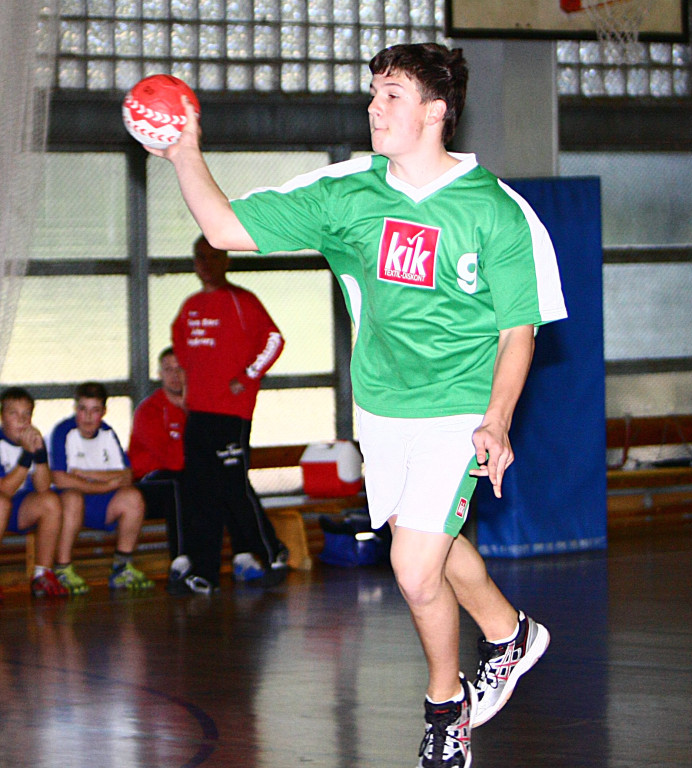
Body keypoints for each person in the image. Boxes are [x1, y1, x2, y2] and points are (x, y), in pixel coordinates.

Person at [150, 42, 567, 768]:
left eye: (392, 95)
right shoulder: (346, 193)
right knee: (432, 540)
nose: (374, 108)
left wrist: (497, 420)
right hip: (381, 407)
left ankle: (446, 710)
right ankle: (510, 633)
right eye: (373, 93)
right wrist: (185, 153)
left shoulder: (499, 213)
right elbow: (224, 230)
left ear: (436, 112)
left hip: (460, 407)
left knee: (413, 568)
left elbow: (517, 332)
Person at [170, 235, 288, 594]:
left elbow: (274, 340)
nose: (205, 264)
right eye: (199, 257)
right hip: (199, 413)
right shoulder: (190, 307)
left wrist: (246, 376)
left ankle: (271, 552)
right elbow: (181, 350)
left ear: (226, 261)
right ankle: (204, 571)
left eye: (212, 257)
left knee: (233, 487)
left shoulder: (242, 301)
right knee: (200, 492)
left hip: (230, 413)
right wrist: (186, 389)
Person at [49, 381, 154, 593]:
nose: (88, 417)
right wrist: (105, 485)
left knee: (133, 498)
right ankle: (62, 569)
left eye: (95, 410)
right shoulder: (63, 431)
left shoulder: (107, 433)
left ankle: (122, 567)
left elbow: (126, 475)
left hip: (100, 504)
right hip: (70, 506)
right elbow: (60, 479)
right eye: (83, 409)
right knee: (72, 498)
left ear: (103, 412)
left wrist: (86, 474)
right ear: (75, 409)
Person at [0, 387, 68, 598]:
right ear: (2, 417)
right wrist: (27, 456)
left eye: (26, 414)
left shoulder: (34, 440)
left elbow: (43, 487)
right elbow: (5, 489)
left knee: (50, 501)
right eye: (14, 413)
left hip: (19, 509)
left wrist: (39, 455)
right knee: (1, 503)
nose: (21, 420)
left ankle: (42, 574)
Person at [128, 347, 187, 577]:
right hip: (148, 485)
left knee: (224, 481)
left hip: (186, 480)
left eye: (180, 369)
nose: (175, 375)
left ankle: (245, 555)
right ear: (160, 374)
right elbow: (172, 461)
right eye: (168, 369)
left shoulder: (199, 408)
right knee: (176, 483)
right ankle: (181, 560)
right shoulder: (149, 411)